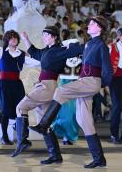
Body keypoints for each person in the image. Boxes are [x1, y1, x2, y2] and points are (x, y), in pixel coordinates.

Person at [29, 16, 113, 169]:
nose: (89, 24)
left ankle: (44, 124)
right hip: (85, 82)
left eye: (93, 23)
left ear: (100, 28)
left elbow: (108, 70)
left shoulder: (101, 45)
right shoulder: (88, 44)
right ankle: (99, 158)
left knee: (61, 91)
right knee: (84, 121)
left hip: (91, 81)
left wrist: (100, 84)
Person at [12, 26, 82, 165]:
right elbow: (33, 52)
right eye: (43, 34)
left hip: (47, 86)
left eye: (46, 35)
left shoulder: (60, 50)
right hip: (47, 86)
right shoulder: (46, 51)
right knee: (45, 124)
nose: (43, 37)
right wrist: (26, 39)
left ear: (54, 37)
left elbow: (78, 49)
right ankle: (55, 155)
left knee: (20, 108)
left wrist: (70, 43)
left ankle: (22, 141)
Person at [0, 30, 40, 145]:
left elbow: (36, 63)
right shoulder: (0, 51)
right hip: (5, 83)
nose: (13, 39)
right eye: (11, 37)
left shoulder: (21, 54)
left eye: (15, 37)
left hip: (17, 84)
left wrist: (49, 61)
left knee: (22, 107)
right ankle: (4, 137)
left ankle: (20, 132)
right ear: (7, 40)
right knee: (5, 110)